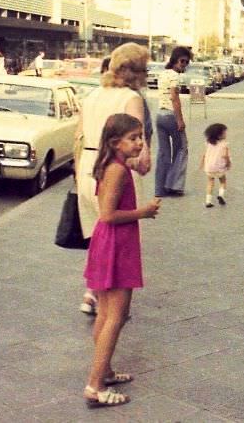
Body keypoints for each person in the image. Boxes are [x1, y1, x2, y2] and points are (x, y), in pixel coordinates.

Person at [82, 113, 160, 408]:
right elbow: (108, 215)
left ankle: (105, 371)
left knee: (106, 314)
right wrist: (144, 212)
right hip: (115, 243)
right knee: (116, 316)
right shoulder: (116, 170)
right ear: (116, 142)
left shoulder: (115, 165)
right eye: (134, 138)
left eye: (141, 137)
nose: (140, 142)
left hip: (113, 243)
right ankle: (95, 386)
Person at [75, 44, 152, 316]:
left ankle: (91, 292)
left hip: (88, 165)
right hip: (116, 166)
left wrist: (78, 173)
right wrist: (142, 165)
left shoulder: (93, 94)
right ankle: (109, 299)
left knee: (99, 234)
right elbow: (135, 143)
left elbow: (79, 136)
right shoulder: (131, 98)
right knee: (117, 233)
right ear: (137, 71)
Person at [154, 46, 191, 197]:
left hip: (159, 115)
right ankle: (174, 185)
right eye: (182, 61)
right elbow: (174, 98)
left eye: (187, 62)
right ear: (175, 60)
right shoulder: (174, 76)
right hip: (171, 116)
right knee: (182, 148)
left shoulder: (163, 74)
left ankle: (159, 189)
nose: (184, 65)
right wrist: (180, 120)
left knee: (163, 153)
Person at [200, 123, 231, 208]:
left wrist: (202, 164)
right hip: (219, 167)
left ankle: (208, 201)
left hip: (209, 167)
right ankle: (221, 195)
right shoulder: (224, 144)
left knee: (210, 183)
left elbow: (204, 155)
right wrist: (228, 163)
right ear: (219, 135)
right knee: (223, 181)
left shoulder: (208, 143)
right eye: (224, 132)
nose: (226, 134)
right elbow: (225, 156)